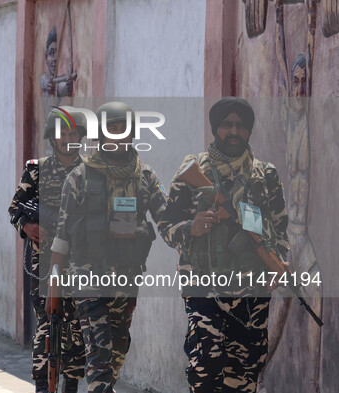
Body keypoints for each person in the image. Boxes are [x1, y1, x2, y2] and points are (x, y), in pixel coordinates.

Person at [158, 97, 290, 393]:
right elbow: (166, 226)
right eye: (227, 125)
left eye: (240, 126)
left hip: (251, 290)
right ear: (215, 129)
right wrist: (190, 228)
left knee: (245, 374)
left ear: (249, 131)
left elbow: (281, 228)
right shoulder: (193, 173)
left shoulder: (265, 176)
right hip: (204, 286)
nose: (233, 131)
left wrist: (279, 262)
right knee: (205, 368)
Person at [48, 102, 166, 393]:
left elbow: (168, 220)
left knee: (117, 349)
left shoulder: (146, 177)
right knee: (100, 356)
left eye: (122, 129)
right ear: (100, 134)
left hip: (126, 278)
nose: (117, 135)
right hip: (88, 276)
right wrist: (53, 285)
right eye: (111, 129)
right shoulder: (79, 177)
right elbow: (62, 235)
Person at [9, 108, 86, 393]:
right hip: (42, 260)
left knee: (76, 322)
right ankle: (43, 383)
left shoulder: (90, 171)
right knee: (46, 318)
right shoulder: (36, 169)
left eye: (73, 134)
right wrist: (26, 227)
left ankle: (72, 383)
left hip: (80, 260)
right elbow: (15, 208)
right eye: (62, 134)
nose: (67, 139)